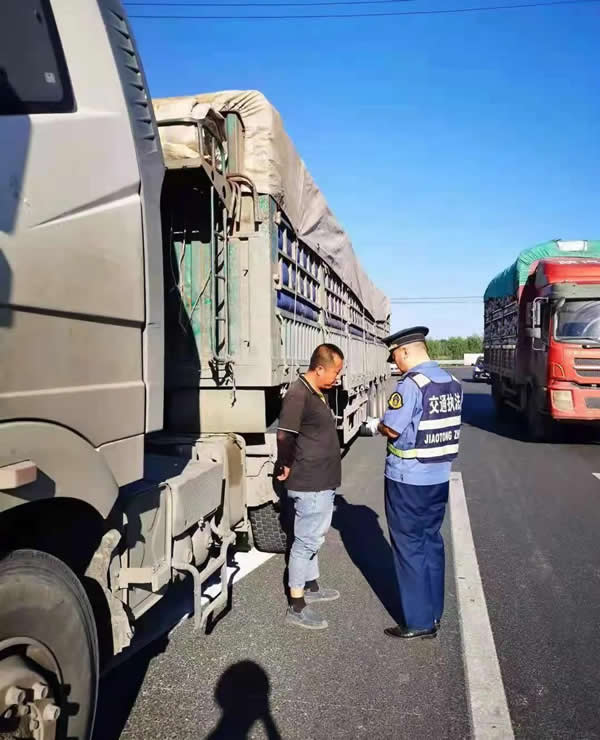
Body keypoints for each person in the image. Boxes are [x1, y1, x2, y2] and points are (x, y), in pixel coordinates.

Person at [368, 327, 462, 639]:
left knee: (408, 546)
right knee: (431, 541)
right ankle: (434, 612)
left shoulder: (411, 385)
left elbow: (393, 429)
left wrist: (377, 425)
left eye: (395, 355)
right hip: (438, 476)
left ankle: (419, 622)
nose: (395, 362)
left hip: (407, 478)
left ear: (406, 351)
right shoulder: (450, 381)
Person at [275, 343, 344, 630]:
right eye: (335, 372)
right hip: (310, 481)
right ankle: (296, 605)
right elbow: (284, 436)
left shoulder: (316, 391)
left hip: (322, 479)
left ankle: (311, 585)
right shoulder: (298, 393)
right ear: (319, 368)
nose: (338, 377)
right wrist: (285, 464)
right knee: (305, 541)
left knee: (315, 536)